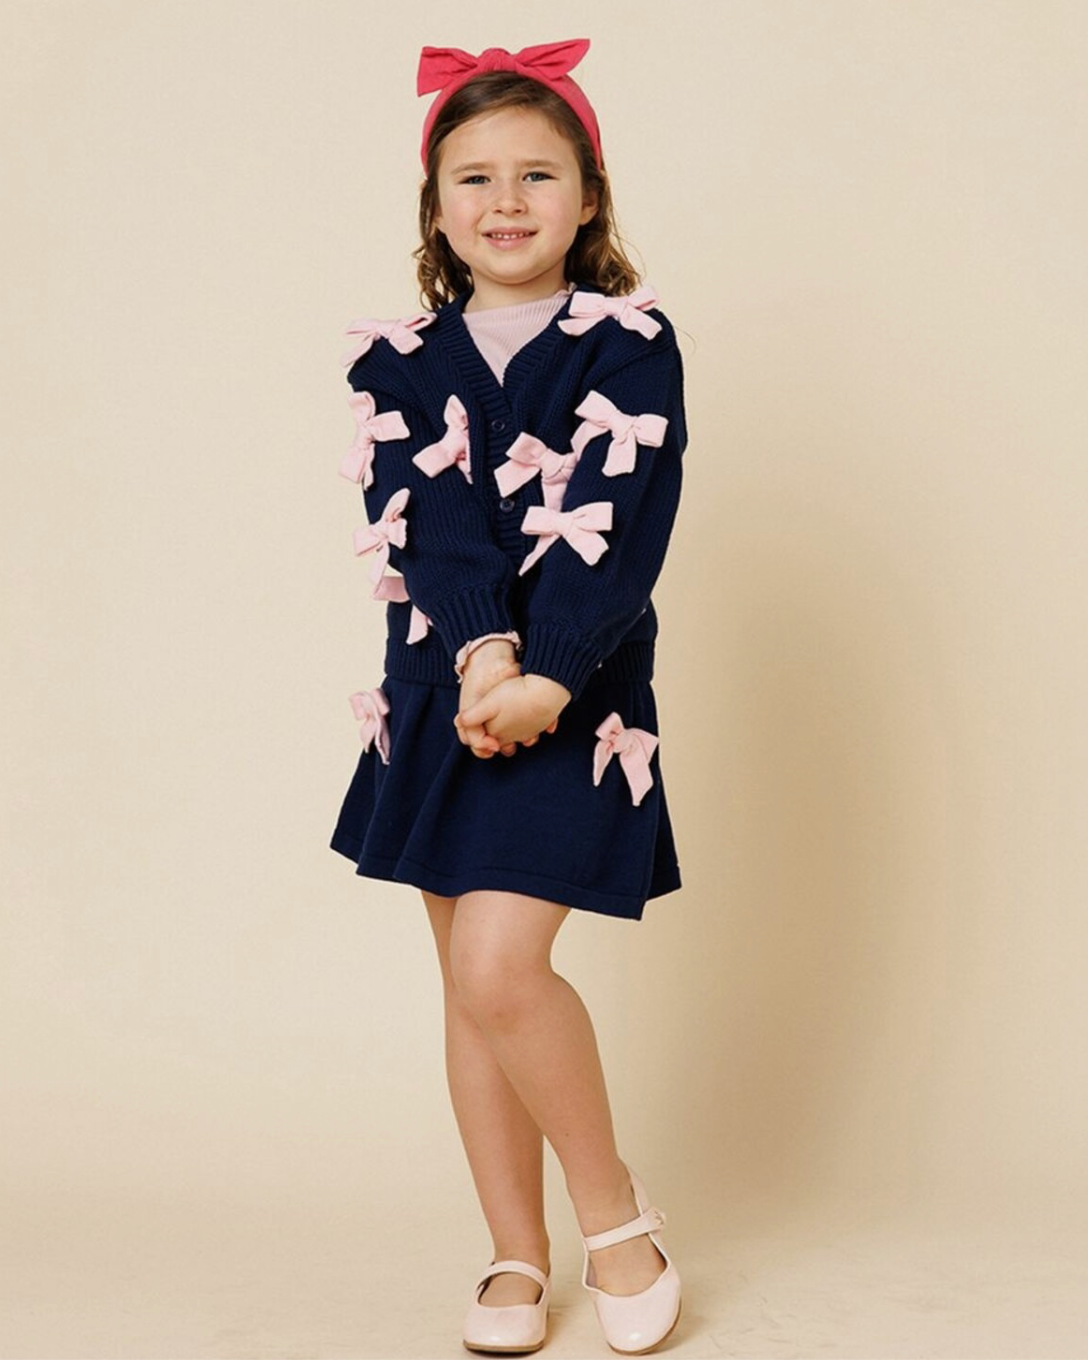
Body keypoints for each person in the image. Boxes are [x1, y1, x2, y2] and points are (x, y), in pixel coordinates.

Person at [329, 39, 687, 1356]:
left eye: (539, 173)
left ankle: (617, 1219)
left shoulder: (630, 346)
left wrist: (547, 674)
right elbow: (428, 524)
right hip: (442, 691)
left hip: (576, 700)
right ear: (435, 208)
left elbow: (616, 521)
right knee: (469, 989)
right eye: (474, 177)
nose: (507, 200)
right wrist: (485, 660)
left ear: (589, 197)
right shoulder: (397, 363)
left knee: (502, 965)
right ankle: (515, 1254)